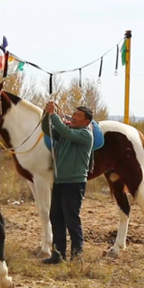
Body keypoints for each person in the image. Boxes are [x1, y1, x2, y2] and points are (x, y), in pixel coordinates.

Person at [41, 102, 94, 264]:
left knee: (72, 219)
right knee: (56, 217)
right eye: (74, 114)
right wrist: (46, 114)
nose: (74, 117)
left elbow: (64, 131)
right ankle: (58, 254)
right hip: (60, 182)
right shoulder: (68, 132)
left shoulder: (85, 135)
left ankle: (77, 256)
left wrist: (53, 115)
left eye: (78, 115)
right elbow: (47, 129)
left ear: (86, 121)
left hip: (74, 183)